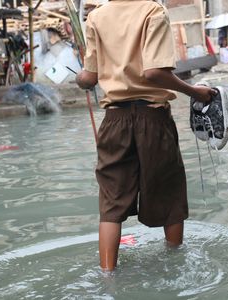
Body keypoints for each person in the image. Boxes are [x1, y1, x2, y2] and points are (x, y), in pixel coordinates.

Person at [76, 0, 216, 272]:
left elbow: (89, 78)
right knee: (169, 194)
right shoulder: (153, 10)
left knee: (111, 203)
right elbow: (154, 73)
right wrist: (195, 92)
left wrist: (81, 80)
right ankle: (176, 269)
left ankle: (107, 277)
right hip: (153, 119)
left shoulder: (95, 17)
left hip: (113, 120)